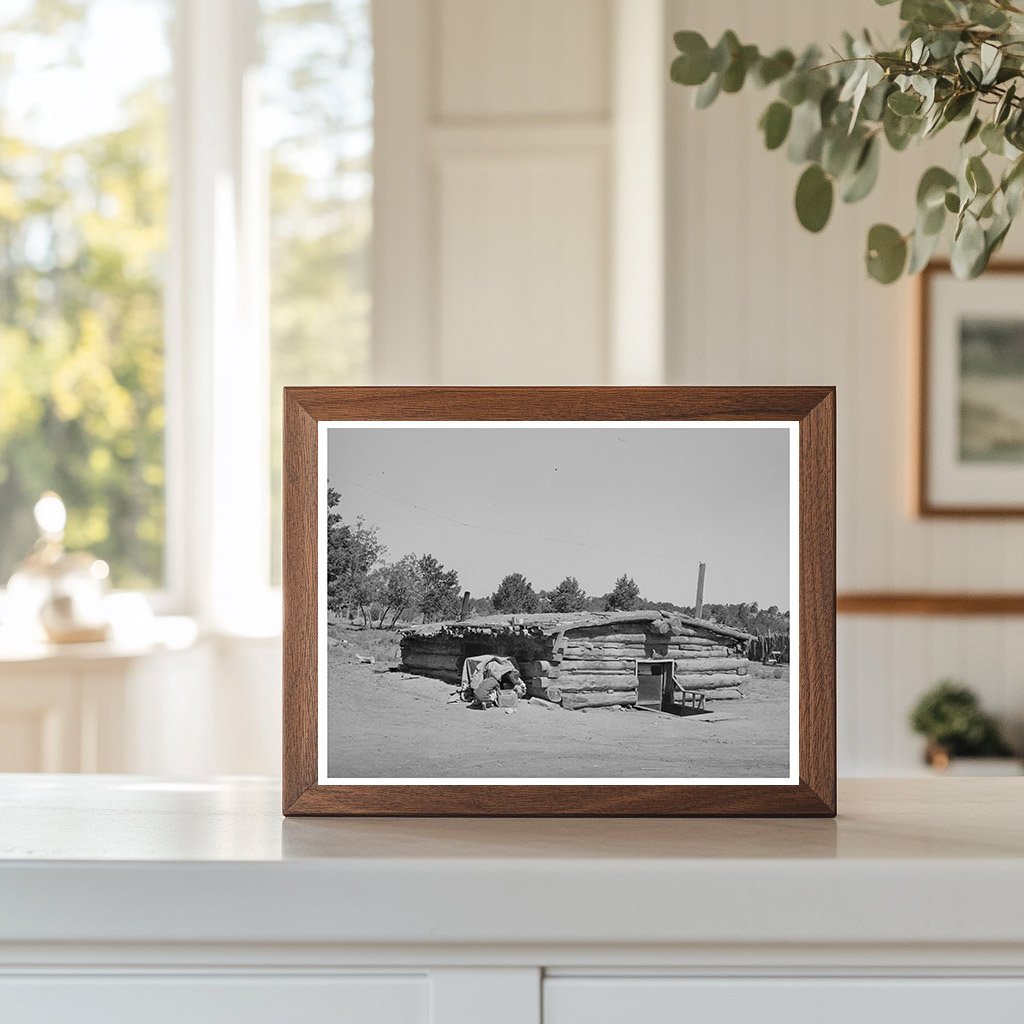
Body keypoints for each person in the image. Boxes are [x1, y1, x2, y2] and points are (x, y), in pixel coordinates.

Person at [460, 654, 526, 708]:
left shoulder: (486, 681)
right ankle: (487, 703)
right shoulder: (496, 681)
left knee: (485, 695)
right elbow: (498, 691)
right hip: (482, 695)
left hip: (475, 693)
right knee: (492, 698)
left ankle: (479, 702)